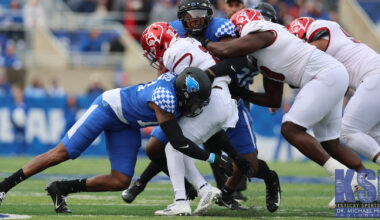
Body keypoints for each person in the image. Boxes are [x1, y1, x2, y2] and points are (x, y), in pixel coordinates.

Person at [0, 68, 233, 213]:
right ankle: (3, 187)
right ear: (183, 92)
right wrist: (212, 157)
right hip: (108, 108)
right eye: (193, 101)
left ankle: (61, 188)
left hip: (127, 123)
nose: (194, 108)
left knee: (121, 180)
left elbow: (168, 146)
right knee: (62, 153)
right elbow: (178, 142)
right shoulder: (165, 98)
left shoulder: (178, 93)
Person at [123, 0, 281, 213]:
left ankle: (207, 192)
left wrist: (209, 71)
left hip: (228, 97)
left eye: (239, 6)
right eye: (189, 15)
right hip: (197, 99)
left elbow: (241, 61)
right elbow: (164, 70)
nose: (194, 19)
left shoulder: (235, 31)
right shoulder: (174, 30)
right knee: (160, 146)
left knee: (247, 162)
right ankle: (193, 190)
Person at [202, 8, 369, 208]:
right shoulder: (262, 54)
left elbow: (227, 49)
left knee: (290, 129)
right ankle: (364, 183)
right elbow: (273, 100)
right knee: (330, 144)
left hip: (325, 75)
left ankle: (342, 177)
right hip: (331, 76)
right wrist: (242, 92)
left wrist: (204, 42)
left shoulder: (261, 30)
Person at [137, 22, 252, 216]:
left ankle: (181, 201)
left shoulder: (172, 53)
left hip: (214, 100)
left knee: (173, 147)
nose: (154, 54)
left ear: (160, 43)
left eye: (153, 48)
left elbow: (178, 88)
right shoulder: (186, 43)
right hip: (219, 98)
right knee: (179, 146)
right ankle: (205, 189)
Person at [287, 18, 380, 167]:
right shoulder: (337, 46)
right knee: (374, 134)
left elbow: (302, 59)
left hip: (374, 76)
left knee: (349, 131)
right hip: (374, 77)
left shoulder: (320, 31)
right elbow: (341, 86)